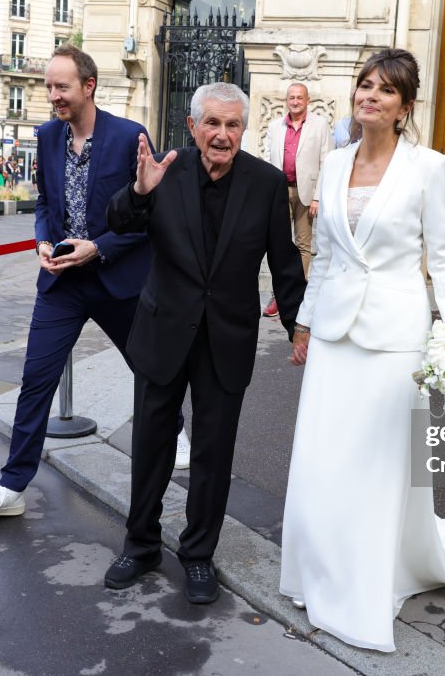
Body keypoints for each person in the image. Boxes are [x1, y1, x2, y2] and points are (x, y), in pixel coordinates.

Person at [279, 48, 445, 652]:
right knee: (325, 457)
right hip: (333, 335)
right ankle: (315, 568)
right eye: (363, 86)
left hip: (395, 337)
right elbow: (324, 254)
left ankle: (364, 584)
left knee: (377, 465)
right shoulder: (332, 163)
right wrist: (303, 324)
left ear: (404, 107)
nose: (369, 96)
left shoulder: (429, 167)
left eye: (384, 90)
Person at [0, 46, 189, 517]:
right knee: (36, 379)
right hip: (62, 281)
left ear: (89, 86)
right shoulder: (45, 136)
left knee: (149, 367)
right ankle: (11, 487)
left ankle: (175, 431)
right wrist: (42, 241)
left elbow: (147, 219)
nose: (52, 96)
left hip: (117, 278)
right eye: (48, 86)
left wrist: (98, 246)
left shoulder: (129, 137)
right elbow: (45, 203)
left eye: (61, 87)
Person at [101, 82, 306, 602]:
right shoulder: (164, 171)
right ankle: (141, 543)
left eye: (232, 124)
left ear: (243, 129)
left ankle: (198, 555)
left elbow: (285, 264)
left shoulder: (264, 183)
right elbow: (117, 222)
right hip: (163, 330)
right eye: (211, 123)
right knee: (151, 446)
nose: (221, 134)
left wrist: (299, 327)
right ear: (192, 127)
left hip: (227, 338)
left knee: (214, 455)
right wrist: (140, 191)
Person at [262, 82, 333, 316]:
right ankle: (278, 295)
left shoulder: (320, 125)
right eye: (291, 98)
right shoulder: (275, 126)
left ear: (307, 100)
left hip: (306, 193)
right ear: (287, 100)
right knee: (279, 245)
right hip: (280, 192)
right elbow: (266, 160)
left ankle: (298, 294)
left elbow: (327, 162)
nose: (295, 101)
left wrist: (318, 198)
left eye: (299, 98)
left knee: (303, 244)